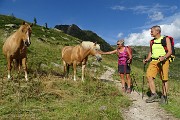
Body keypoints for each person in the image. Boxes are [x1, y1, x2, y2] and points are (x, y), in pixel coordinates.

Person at [143, 25, 172, 104]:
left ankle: (164, 96)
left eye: (152, 31)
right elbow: (151, 52)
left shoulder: (166, 39)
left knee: (164, 79)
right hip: (154, 61)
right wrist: (147, 59)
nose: (150, 33)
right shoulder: (152, 42)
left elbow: (170, 51)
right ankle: (153, 94)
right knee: (149, 76)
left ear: (157, 31)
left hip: (164, 61)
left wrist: (164, 57)